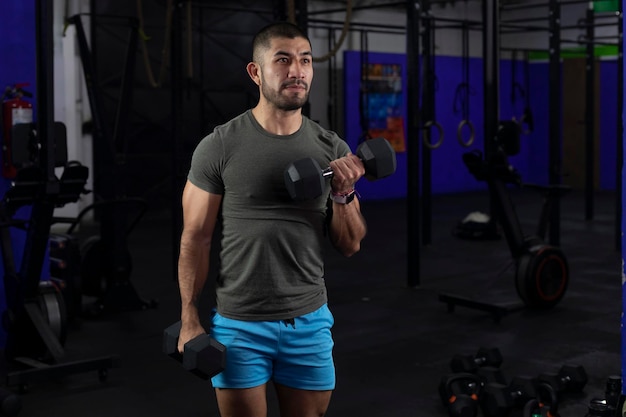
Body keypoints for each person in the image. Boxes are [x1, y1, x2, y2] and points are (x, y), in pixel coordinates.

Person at [176, 21, 367, 417]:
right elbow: (196, 237)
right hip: (240, 324)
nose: (297, 70)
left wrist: (344, 194)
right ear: (256, 71)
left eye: (305, 60)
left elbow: (350, 244)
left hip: (309, 321)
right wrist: (189, 318)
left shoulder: (332, 148)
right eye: (283, 60)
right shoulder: (219, 146)